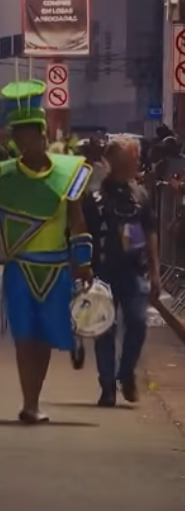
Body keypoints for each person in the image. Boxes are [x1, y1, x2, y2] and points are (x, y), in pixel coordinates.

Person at [0, 79, 93, 424]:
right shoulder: (4, 175)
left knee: (45, 339)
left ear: (42, 133)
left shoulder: (69, 173)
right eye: (18, 135)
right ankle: (28, 402)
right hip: (20, 269)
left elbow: (77, 222)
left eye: (29, 133)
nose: (24, 142)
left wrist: (84, 264)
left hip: (55, 269)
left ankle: (35, 398)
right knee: (24, 336)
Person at [83, 136, 160, 407]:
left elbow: (150, 232)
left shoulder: (140, 195)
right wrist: (82, 267)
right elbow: (83, 233)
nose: (137, 162)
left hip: (134, 271)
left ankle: (126, 372)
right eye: (132, 157)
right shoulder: (94, 197)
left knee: (138, 322)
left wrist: (155, 271)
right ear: (115, 160)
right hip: (102, 271)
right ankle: (107, 386)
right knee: (104, 328)